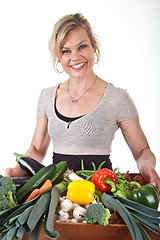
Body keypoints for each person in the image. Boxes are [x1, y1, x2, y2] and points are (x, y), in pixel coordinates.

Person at [5, 13, 160, 196]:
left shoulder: (117, 98)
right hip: (58, 196)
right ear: (58, 56)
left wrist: (148, 168)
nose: (75, 57)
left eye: (82, 46)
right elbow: (36, 149)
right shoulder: (47, 97)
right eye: (65, 51)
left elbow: (142, 151)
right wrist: (16, 170)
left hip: (102, 195)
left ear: (94, 46)